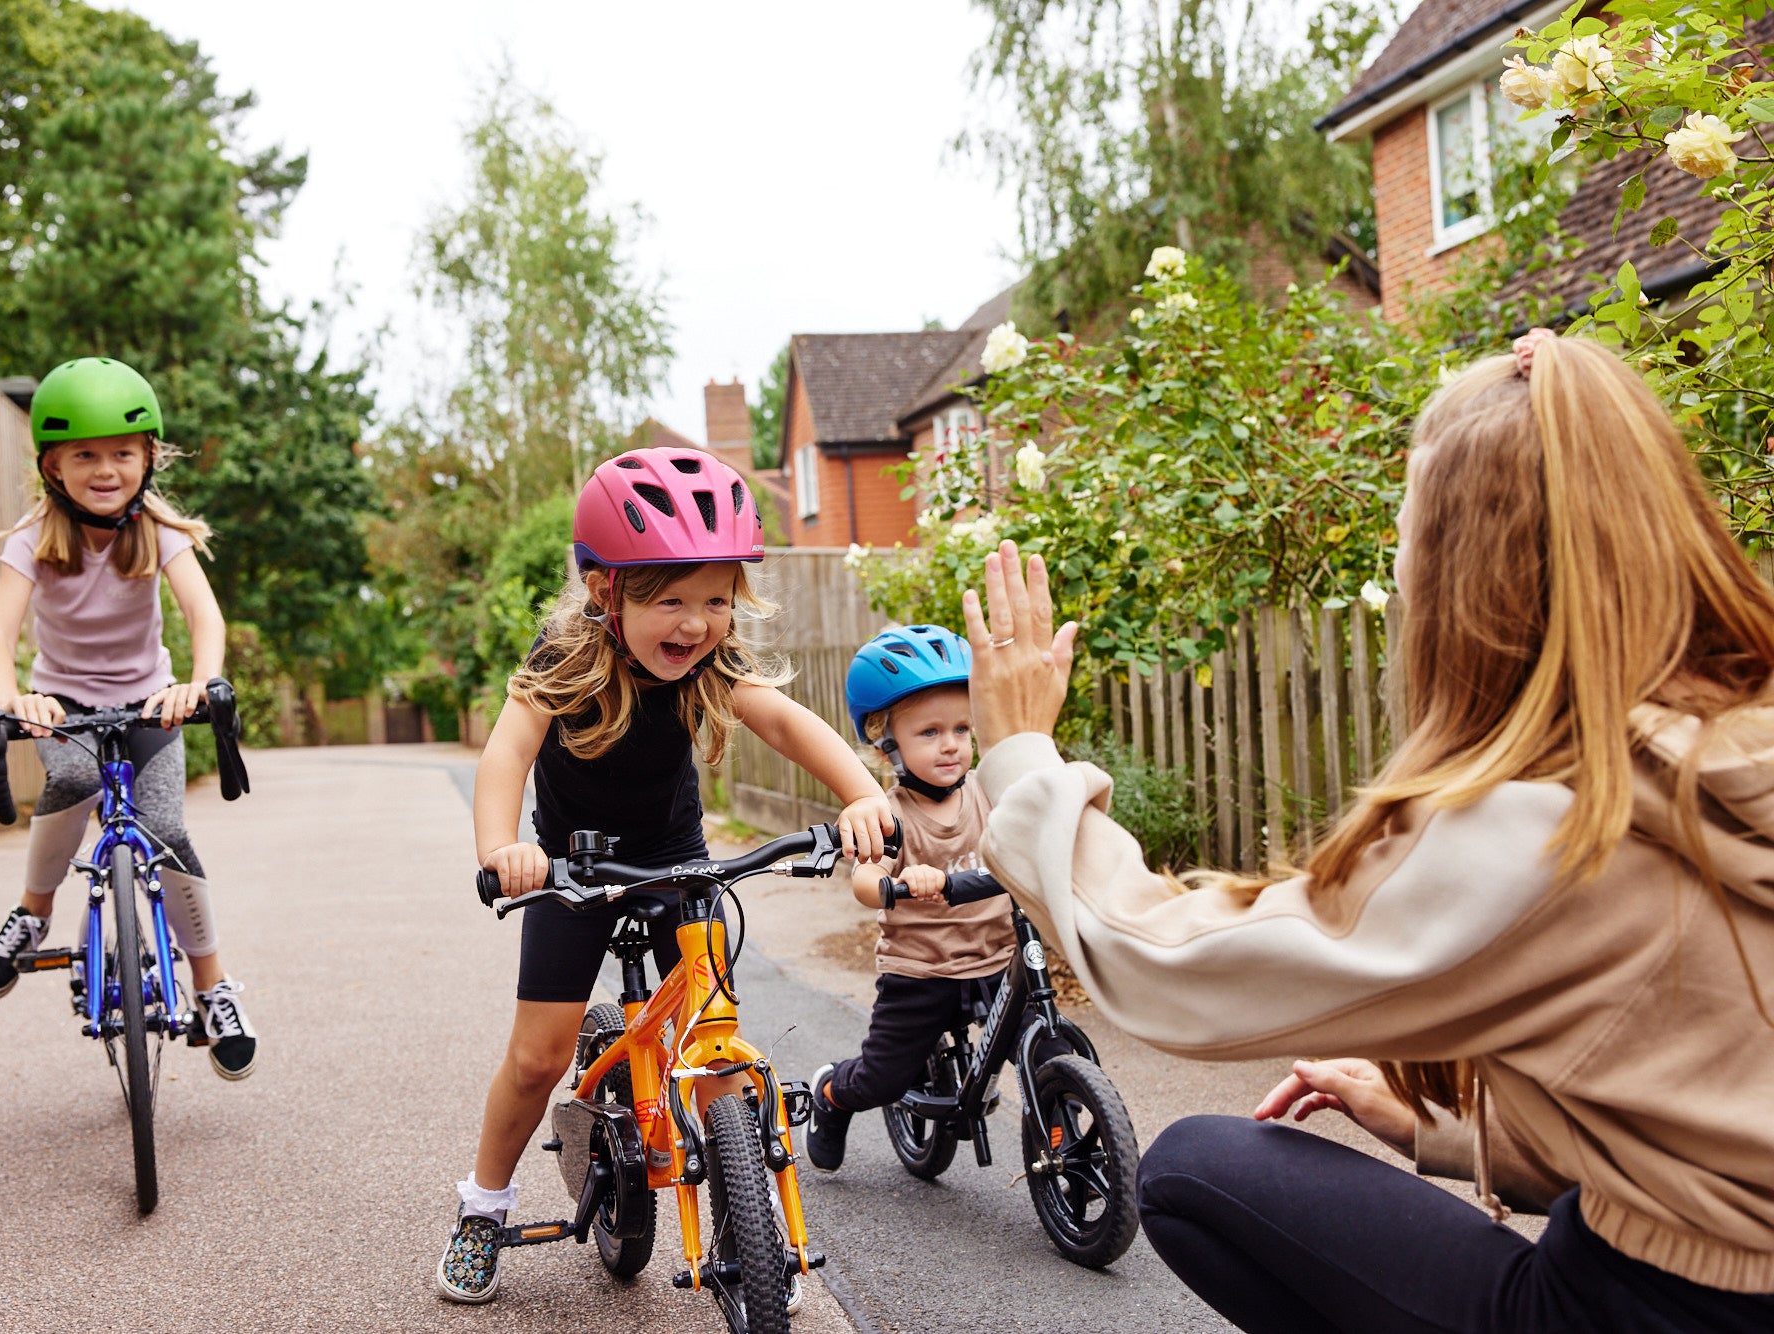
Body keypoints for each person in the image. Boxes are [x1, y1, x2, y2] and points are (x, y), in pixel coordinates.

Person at [963, 332, 1774, 1331]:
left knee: (1193, 1169)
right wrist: (1445, 1131)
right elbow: (1708, 1120)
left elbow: (1162, 966)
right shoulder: (1733, 749)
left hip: (1658, 1307)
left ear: (1461, 576)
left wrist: (1021, 756)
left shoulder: (1563, 820)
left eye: (1405, 536)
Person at [438, 446, 894, 1306]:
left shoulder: (711, 666)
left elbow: (792, 727)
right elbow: (507, 752)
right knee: (538, 1060)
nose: (696, 623)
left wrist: (864, 795)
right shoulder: (565, 657)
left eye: (716, 599)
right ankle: (482, 1207)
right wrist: (502, 849)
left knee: (715, 1052)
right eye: (671, 600)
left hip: (678, 863)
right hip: (570, 870)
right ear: (609, 591)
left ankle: (749, 1220)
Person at [0, 357, 256, 1081]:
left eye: (122, 452)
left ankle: (213, 988)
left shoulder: (157, 529)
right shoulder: (33, 537)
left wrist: (199, 683)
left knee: (168, 830)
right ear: (52, 465)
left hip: (148, 699)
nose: (106, 468)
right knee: (68, 781)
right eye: (85, 455)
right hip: (61, 704)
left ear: (148, 458)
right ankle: (34, 913)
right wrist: (13, 701)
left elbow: (203, 614)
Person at [805, 626, 1010, 1172]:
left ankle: (1063, 1136)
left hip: (998, 958)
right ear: (886, 744)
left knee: (1049, 1046)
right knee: (884, 1076)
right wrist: (901, 881)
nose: (951, 744)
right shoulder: (889, 815)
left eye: (962, 728)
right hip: (920, 971)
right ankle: (832, 1095)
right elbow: (864, 878)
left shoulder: (989, 792)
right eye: (930, 732)